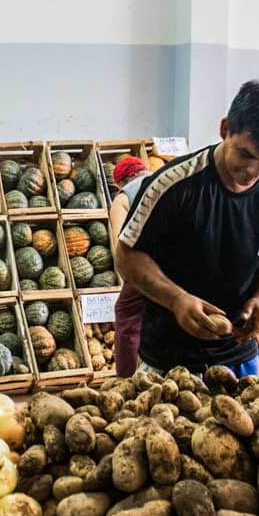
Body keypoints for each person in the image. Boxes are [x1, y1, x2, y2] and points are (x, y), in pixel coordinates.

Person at [115, 80, 259, 378]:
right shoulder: (174, 185)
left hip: (241, 356)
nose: (255, 173)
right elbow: (127, 256)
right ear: (225, 128)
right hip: (168, 361)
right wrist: (176, 299)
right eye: (246, 155)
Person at [108, 156, 151, 376]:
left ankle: (126, 379)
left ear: (119, 183)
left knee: (127, 315)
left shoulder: (123, 198)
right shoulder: (166, 181)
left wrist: (129, 277)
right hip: (180, 264)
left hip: (145, 266)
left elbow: (120, 245)